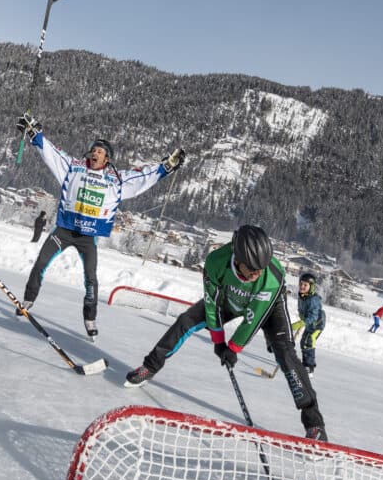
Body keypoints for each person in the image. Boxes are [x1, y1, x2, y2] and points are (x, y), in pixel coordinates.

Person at [125, 225, 328, 441]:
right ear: (238, 259)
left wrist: (232, 348)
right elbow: (212, 303)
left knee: (285, 353)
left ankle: (314, 423)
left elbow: (253, 318)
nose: (257, 274)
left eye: (261, 269)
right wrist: (218, 340)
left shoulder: (271, 277)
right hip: (229, 298)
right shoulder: (216, 262)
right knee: (186, 321)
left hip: (269, 308)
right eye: (253, 270)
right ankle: (150, 366)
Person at [16, 111, 184, 338]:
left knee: (91, 280)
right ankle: (28, 299)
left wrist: (166, 167)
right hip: (64, 230)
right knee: (41, 263)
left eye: (100, 151)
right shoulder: (73, 167)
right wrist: (34, 133)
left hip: (88, 238)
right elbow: (51, 153)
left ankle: (90, 318)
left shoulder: (116, 179)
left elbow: (143, 177)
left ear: (107, 159)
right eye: (94, 150)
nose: (95, 153)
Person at [292, 272, 326, 377]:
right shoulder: (302, 297)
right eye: (301, 284)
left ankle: (310, 367)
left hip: (317, 325)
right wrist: (302, 319)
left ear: (311, 287)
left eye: (305, 285)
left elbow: (313, 316)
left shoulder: (313, 299)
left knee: (309, 341)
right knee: (303, 342)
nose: (302, 286)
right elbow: (301, 310)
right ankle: (305, 363)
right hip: (309, 324)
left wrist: (301, 322)